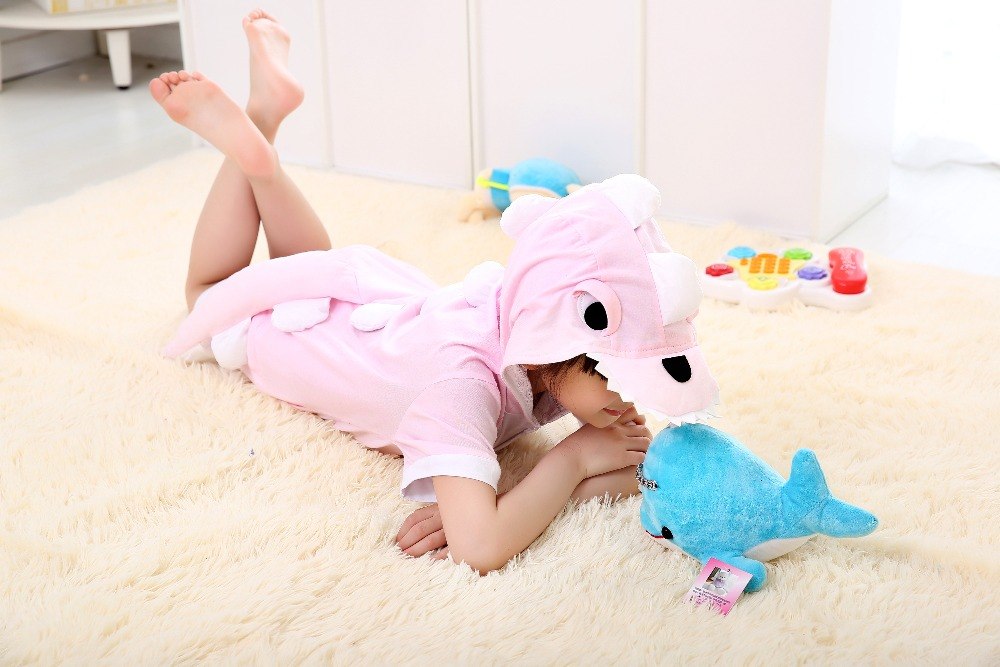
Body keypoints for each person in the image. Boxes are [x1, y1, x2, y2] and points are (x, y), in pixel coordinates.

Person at [152, 10, 719, 574]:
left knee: (304, 265)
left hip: (381, 319)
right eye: (617, 375)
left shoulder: (542, 323)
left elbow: (635, 467)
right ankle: (254, 147)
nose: (630, 399)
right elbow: (481, 548)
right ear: (558, 347)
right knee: (210, 293)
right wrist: (566, 464)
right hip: (314, 347)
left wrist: (507, 500)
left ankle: (265, 128)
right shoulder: (460, 391)